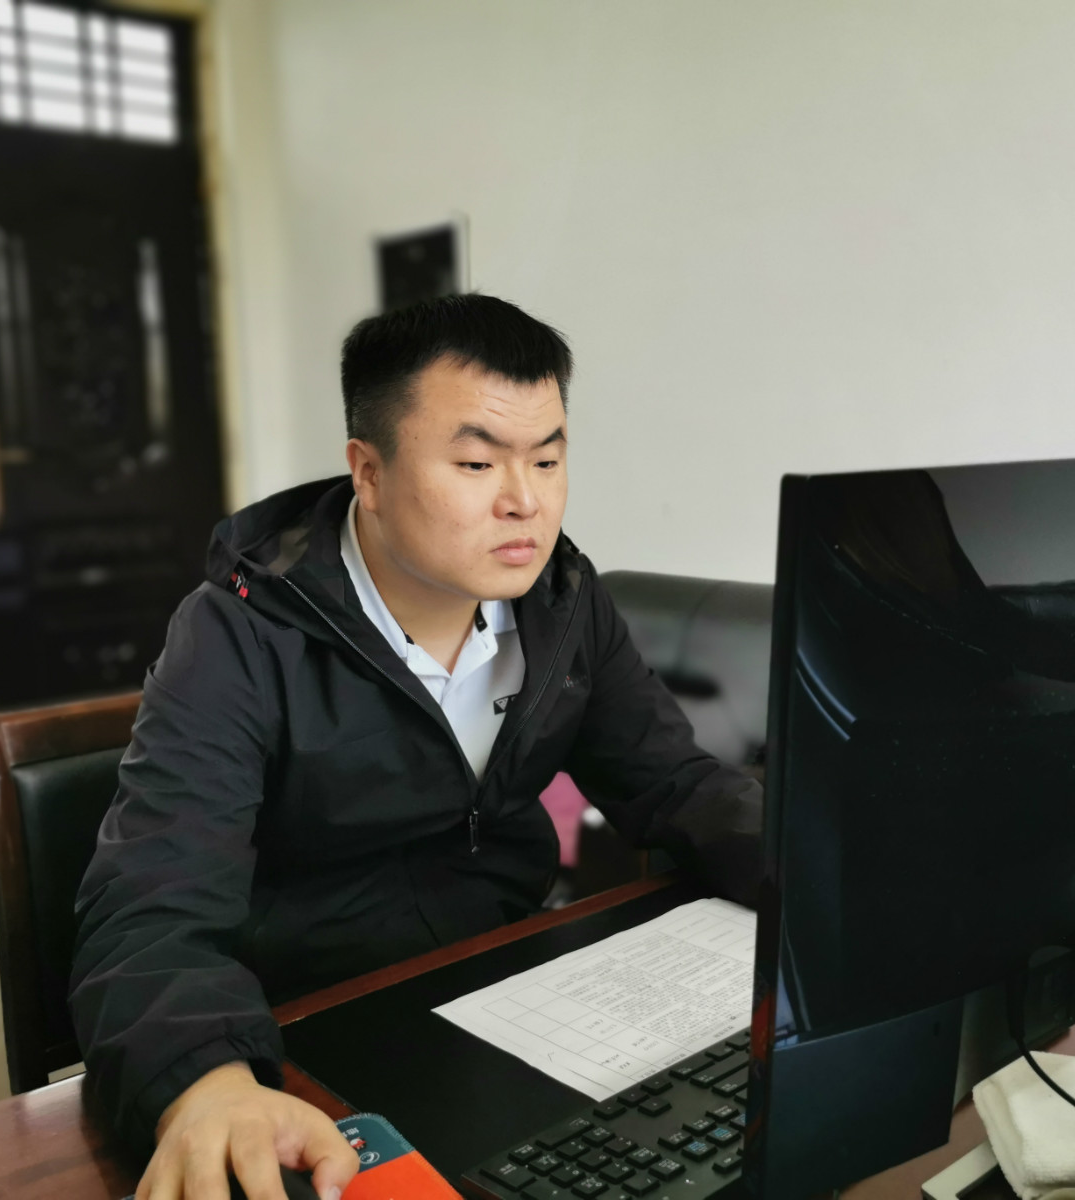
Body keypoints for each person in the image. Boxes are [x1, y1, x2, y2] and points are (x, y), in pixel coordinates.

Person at [69, 294, 763, 1200]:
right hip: (303, 1031)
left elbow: (672, 782)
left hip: (511, 997)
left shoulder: (560, 601)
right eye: (476, 462)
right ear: (369, 471)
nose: (525, 501)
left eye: (548, 459)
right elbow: (149, 910)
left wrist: (834, 869)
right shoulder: (239, 635)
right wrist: (207, 1085)